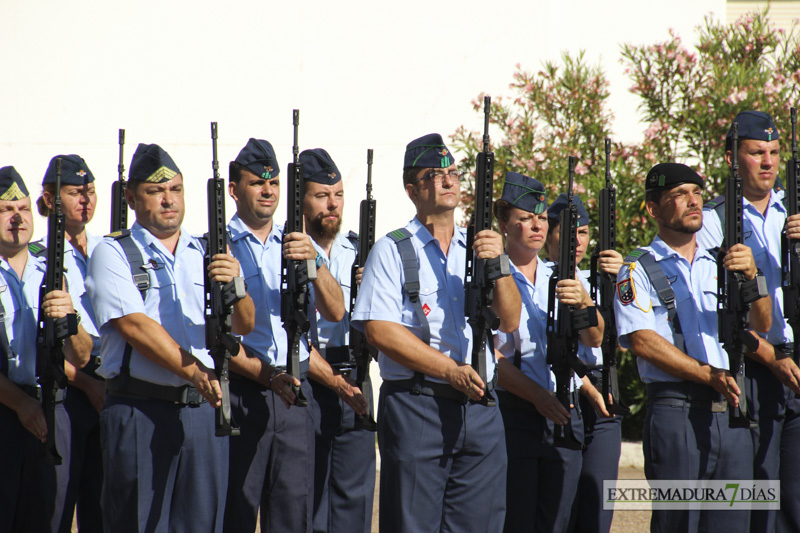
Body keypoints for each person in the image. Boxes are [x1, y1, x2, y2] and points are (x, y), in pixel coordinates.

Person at [351, 133, 521, 532]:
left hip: (479, 407)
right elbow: (379, 330)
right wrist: (448, 370)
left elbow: (510, 320)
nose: (448, 181)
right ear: (412, 189)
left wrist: (501, 264)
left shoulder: (479, 247)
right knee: (414, 524)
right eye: (434, 175)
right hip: (418, 404)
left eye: (452, 173)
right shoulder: (392, 250)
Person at [86, 143, 255, 532]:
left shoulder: (205, 251)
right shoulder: (113, 252)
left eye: (176, 190)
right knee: (139, 523)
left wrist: (237, 283)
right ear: (130, 197)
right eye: (155, 191)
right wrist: (197, 372)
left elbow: (244, 324)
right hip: (141, 408)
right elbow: (135, 326)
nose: (168, 200)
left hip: (201, 412)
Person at [615, 162, 771, 532]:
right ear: (654, 209)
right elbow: (641, 340)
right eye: (679, 195)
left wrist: (753, 277)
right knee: (679, 523)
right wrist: (706, 373)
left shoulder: (724, 262)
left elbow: (760, 325)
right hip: (676, 410)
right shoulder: (636, 268)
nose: (692, 201)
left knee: (732, 524)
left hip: (731, 411)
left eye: (697, 193)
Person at [222, 138, 349, 533]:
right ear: (233, 190)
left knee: (293, 515)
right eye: (257, 183)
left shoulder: (296, 244)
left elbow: (335, 310)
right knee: (236, 513)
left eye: (274, 183)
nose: (267, 191)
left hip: (295, 391)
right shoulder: (217, 246)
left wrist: (313, 259)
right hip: (243, 388)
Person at [696, 110, 800, 533]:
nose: (768, 162)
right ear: (730, 158)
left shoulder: (791, 212)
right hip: (751, 365)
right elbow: (710, 309)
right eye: (757, 152)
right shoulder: (711, 221)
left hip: (795, 368)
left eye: (775, 152)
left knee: (793, 503)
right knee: (756, 499)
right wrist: (769, 356)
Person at [493, 175, 607, 533]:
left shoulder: (561, 276)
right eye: (526, 217)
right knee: (518, 521)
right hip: (517, 414)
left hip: (563, 412)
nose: (536, 225)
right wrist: (537, 397)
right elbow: (490, 358)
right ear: (504, 223)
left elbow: (595, 338)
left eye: (541, 217)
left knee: (557, 522)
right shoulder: (493, 275)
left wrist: (585, 300)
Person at [0, 165, 93, 532]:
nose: (17, 218)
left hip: (52, 408)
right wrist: (21, 405)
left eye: (23, 208)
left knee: (48, 518)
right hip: (9, 408)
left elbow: (82, 355)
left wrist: (69, 319)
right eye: (6, 210)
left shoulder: (52, 267)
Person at [298, 148, 376, 533]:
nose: (333, 204)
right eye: (321, 195)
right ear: (301, 201)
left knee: (354, 501)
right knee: (306, 501)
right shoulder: (288, 250)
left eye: (339, 195)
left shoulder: (361, 250)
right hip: (307, 379)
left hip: (356, 374)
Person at [543, 192, 623, 533]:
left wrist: (621, 280)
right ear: (549, 232)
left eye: (584, 233)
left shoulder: (603, 278)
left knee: (596, 505)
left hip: (601, 393)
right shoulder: (536, 275)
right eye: (568, 231)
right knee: (558, 506)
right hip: (560, 387)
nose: (577, 241)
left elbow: (620, 336)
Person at [36, 154, 104, 533]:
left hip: (106, 381)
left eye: (90, 191)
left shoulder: (105, 251)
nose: (86, 200)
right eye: (76, 192)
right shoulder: (36, 257)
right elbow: (42, 343)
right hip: (68, 386)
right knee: (58, 507)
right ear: (49, 199)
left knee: (103, 507)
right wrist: (88, 383)